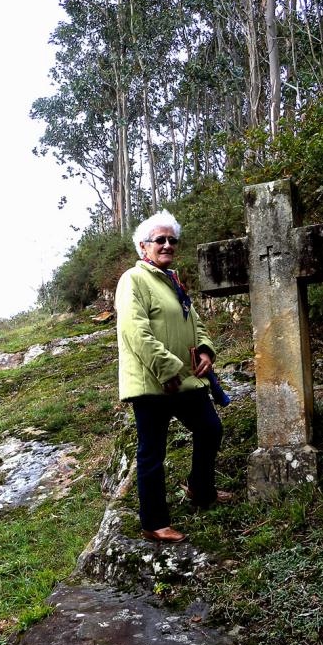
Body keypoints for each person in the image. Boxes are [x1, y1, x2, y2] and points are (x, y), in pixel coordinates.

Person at [115, 209, 232, 543]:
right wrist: (166, 369)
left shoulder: (174, 282)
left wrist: (207, 349)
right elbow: (134, 330)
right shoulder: (133, 280)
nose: (167, 245)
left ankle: (200, 490)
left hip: (184, 380)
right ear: (143, 246)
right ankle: (154, 522)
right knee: (152, 452)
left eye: (171, 240)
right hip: (152, 383)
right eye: (159, 240)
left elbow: (196, 323)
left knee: (210, 428)